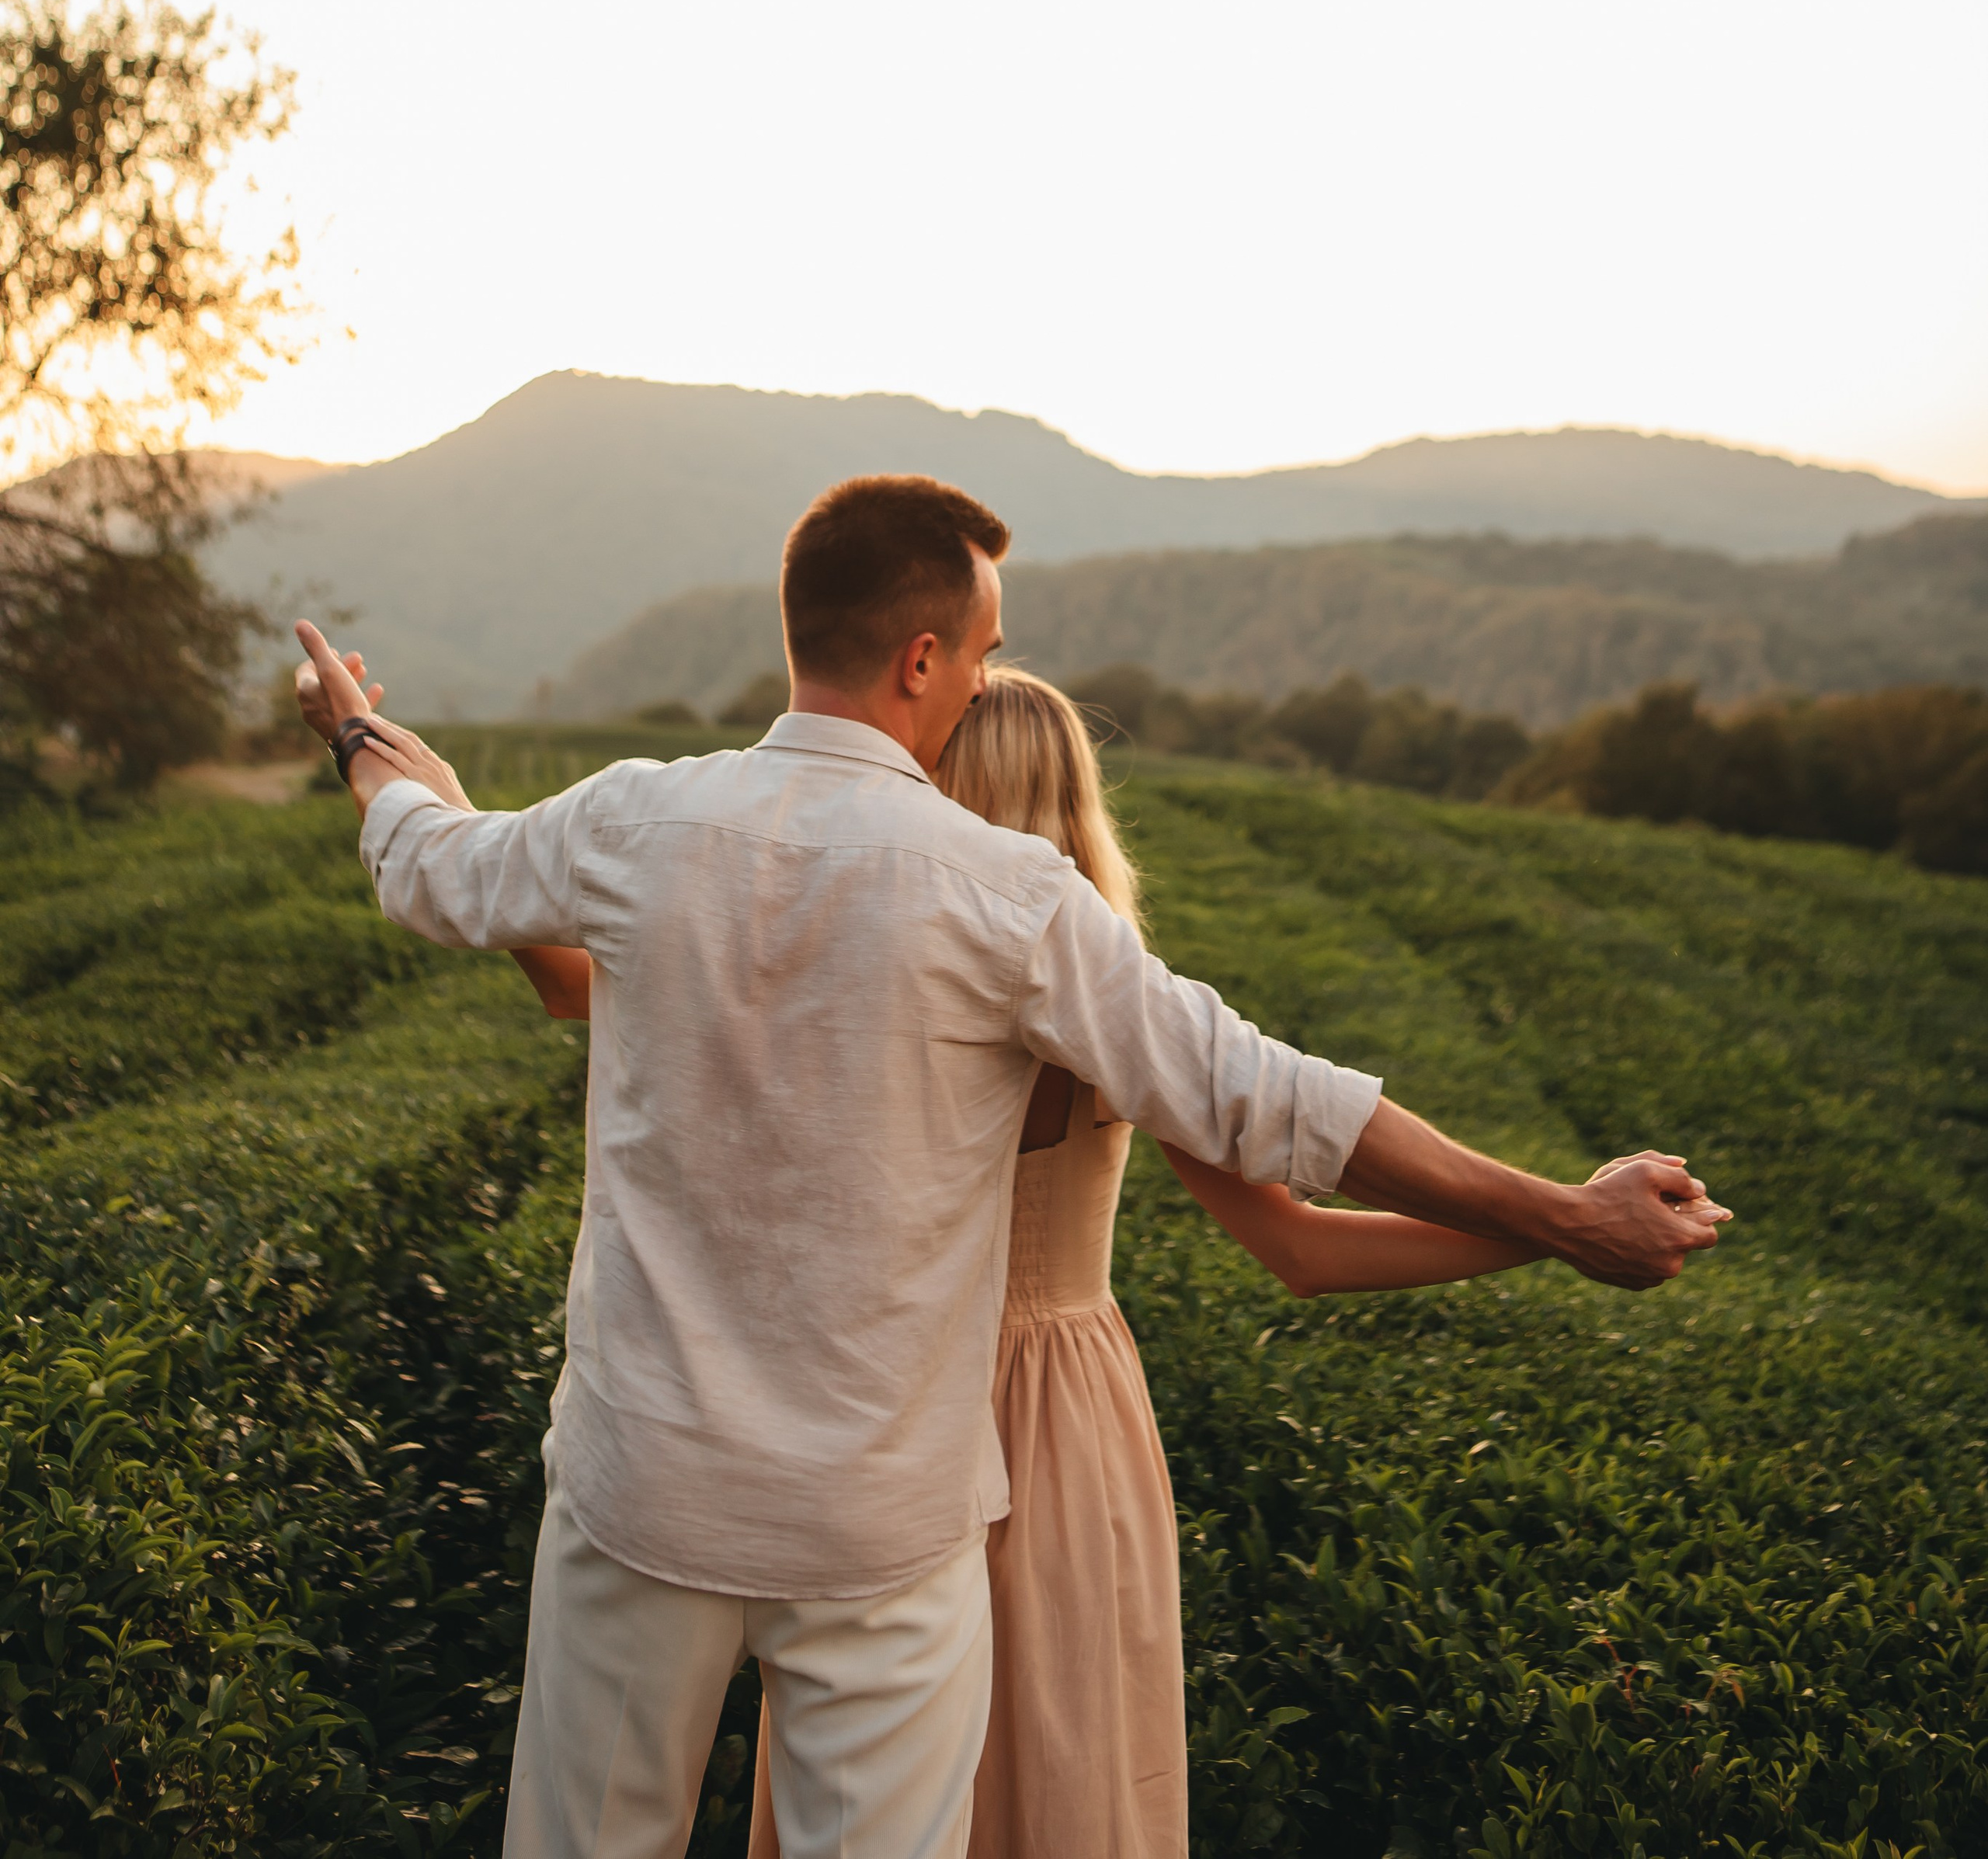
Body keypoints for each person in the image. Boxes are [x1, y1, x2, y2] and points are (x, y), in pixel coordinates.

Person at [295, 471, 1721, 1859]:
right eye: (978, 653)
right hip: (883, 1529)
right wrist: (1558, 1212)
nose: (983, 681)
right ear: (920, 657)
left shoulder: (636, 818)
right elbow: (1264, 1096)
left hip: (645, 1486)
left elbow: (433, 866)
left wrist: (366, 743)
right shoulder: (1007, 896)